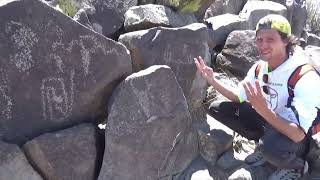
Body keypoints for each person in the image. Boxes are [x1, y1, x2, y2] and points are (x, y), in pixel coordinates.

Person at [194, 14, 320, 180]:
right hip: (270, 121)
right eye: (259, 39)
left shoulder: (304, 76)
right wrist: (212, 80)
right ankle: (265, 148)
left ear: (286, 41)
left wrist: (263, 109)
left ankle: (296, 167)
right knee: (218, 109)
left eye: (270, 39)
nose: (263, 45)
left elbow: (298, 134)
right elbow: (237, 97)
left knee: (270, 146)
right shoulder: (260, 68)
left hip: (298, 138)